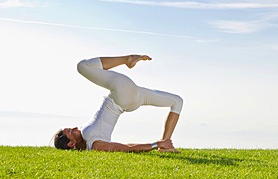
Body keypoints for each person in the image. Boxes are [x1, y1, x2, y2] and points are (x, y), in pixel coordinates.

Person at [54, 54, 183, 153]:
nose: (76, 128)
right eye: (71, 131)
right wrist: (155, 144)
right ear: (71, 144)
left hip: (132, 99)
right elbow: (124, 147)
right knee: (82, 66)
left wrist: (161, 144)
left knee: (177, 101)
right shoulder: (94, 145)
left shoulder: (86, 138)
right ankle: (127, 59)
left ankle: (166, 145)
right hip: (121, 95)